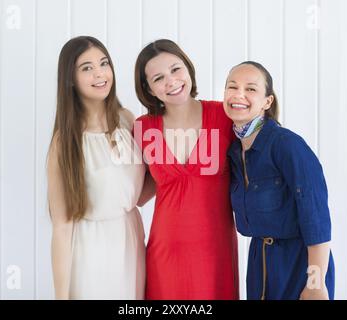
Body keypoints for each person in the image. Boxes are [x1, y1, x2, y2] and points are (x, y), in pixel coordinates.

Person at [133, 39, 239, 299]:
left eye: (175, 69)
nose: (171, 81)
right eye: (158, 78)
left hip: (216, 254)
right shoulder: (142, 127)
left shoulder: (225, 116)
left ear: (188, 69)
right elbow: (137, 195)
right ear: (149, 89)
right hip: (165, 255)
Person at [224, 61, 335, 300]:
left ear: (267, 101)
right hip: (259, 264)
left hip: (299, 263)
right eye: (232, 87)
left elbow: (316, 218)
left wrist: (316, 283)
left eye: (251, 89)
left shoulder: (287, 145)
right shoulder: (233, 152)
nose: (238, 94)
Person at [47, 36, 146, 299]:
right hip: (90, 249)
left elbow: (142, 191)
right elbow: (62, 225)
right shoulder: (65, 142)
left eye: (103, 63)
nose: (100, 73)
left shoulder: (127, 120)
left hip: (130, 239)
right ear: (70, 79)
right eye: (86, 68)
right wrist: (61, 295)